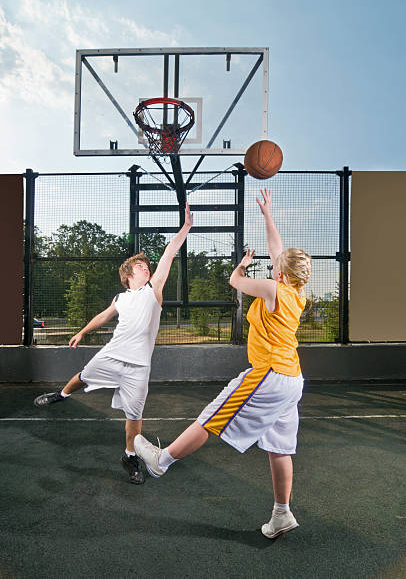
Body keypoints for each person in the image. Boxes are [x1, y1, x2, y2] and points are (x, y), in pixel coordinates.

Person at [134, 188, 312, 538]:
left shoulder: (273, 289)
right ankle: (281, 513)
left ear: (280, 273)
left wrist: (242, 267)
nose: (273, 264)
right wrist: (267, 214)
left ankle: (162, 461)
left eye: (276, 266)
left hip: (270, 375)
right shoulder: (297, 292)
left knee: (212, 415)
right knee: (279, 447)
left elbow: (235, 282)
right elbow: (278, 251)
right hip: (293, 380)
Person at [34, 204, 194, 485]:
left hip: (139, 367)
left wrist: (185, 229)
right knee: (83, 377)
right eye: (140, 265)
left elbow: (169, 254)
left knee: (134, 416)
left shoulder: (153, 290)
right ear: (129, 274)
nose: (146, 266)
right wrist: (82, 331)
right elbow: (104, 316)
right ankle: (61, 395)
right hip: (112, 354)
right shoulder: (121, 298)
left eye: (147, 265)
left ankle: (129, 456)